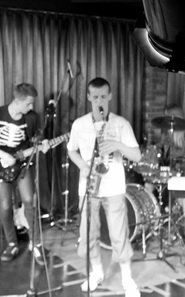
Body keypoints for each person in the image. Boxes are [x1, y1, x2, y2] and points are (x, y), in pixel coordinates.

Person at [66, 77, 142, 297]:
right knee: (88, 233)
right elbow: (71, 149)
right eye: (95, 97)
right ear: (88, 97)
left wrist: (117, 145)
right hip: (88, 186)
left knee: (119, 235)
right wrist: (82, 166)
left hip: (114, 186)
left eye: (103, 96)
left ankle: (127, 281)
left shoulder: (120, 123)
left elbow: (137, 155)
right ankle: (96, 272)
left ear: (110, 96)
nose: (99, 101)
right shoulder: (79, 124)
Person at [0, 83, 50, 263]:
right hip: (1, 165)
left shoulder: (32, 118)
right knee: (5, 205)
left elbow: (35, 140)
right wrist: (4, 155)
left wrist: (42, 144)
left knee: (29, 201)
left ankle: (36, 243)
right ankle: (12, 243)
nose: (31, 107)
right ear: (17, 101)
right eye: (28, 103)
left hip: (23, 165)